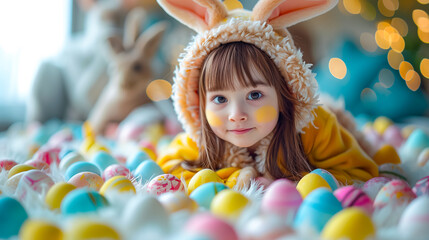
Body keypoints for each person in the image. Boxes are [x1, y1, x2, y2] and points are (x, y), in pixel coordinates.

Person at [155, 0, 400, 188]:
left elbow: (362, 172)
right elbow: (169, 170)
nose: (236, 114)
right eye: (220, 99)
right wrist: (236, 177)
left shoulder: (316, 129)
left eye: (254, 95)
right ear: (200, 103)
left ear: (285, 93)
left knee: (374, 150)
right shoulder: (202, 139)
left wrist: (293, 182)